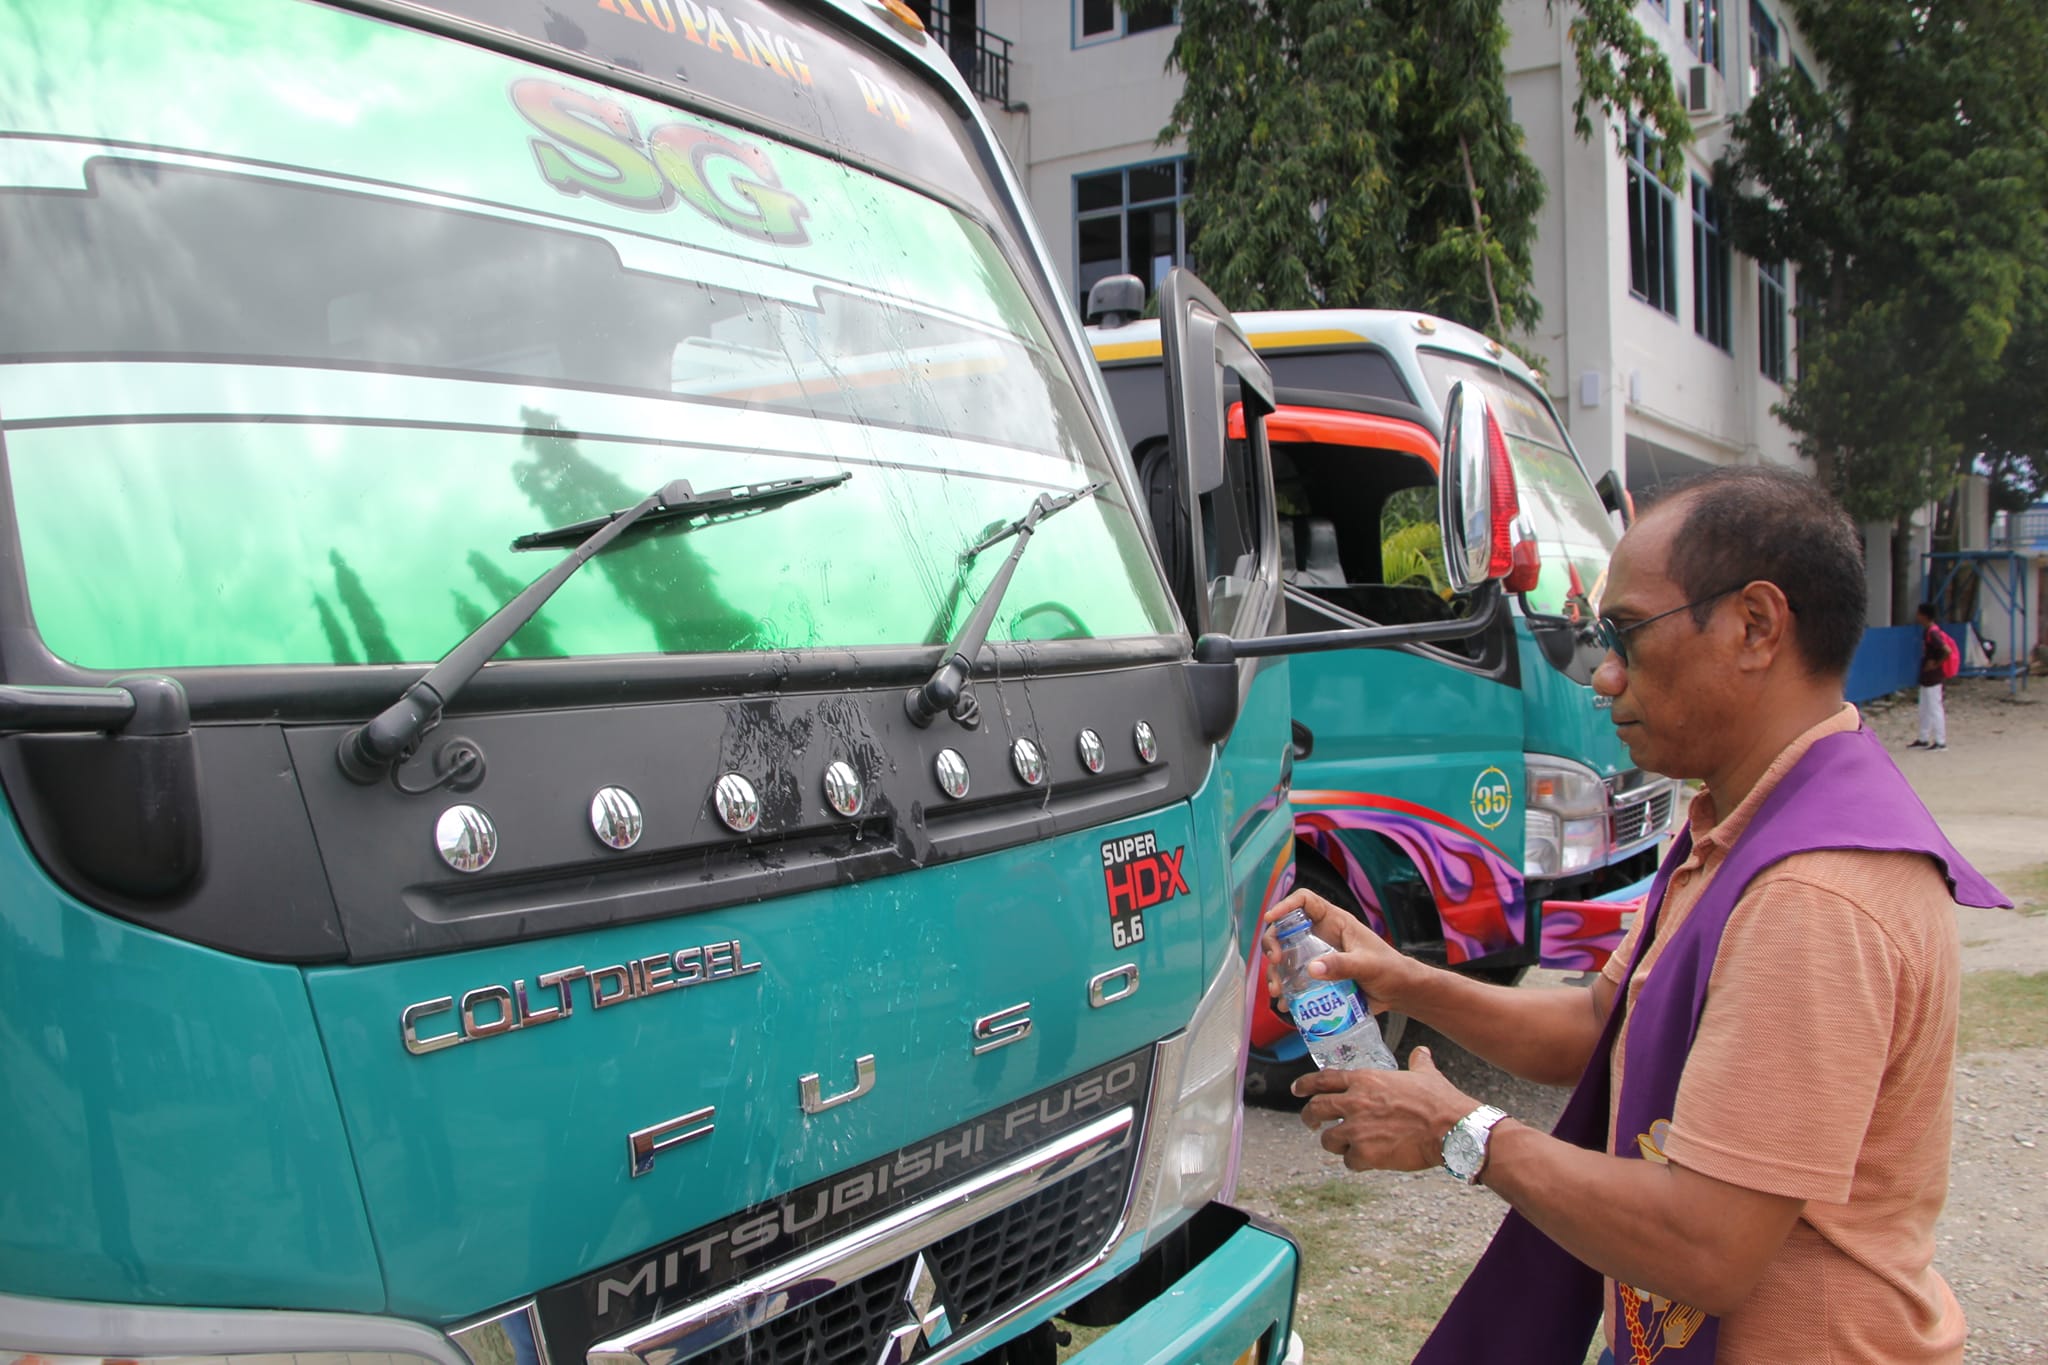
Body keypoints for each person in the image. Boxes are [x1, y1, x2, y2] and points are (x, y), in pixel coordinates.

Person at [1264, 466, 2008, 1365]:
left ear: (1756, 626)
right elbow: (1598, 1023)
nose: (1605, 675)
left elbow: (1708, 1245)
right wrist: (1403, 974)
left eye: (1625, 634)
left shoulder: (1815, 892)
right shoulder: (1741, 827)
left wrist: (1458, 1129)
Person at [1912, 602, 1950, 750]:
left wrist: (1935, 664)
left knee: (1934, 708)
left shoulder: (1932, 633)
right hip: (1927, 677)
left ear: (1923, 615)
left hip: (1933, 676)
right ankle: (1923, 737)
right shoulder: (1929, 631)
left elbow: (1946, 650)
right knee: (1925, 708)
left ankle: (1940, 741)